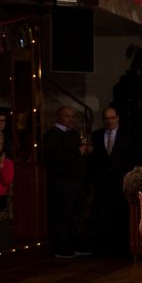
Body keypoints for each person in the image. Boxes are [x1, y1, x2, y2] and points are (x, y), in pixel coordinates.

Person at [43, 106, 92, 258]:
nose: (71, 119)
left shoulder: (74, 134)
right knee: (62, 215)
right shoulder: (51, 135)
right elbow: (55, 157)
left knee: (75, 214)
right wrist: (78, 152)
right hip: (61, 183)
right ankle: (59, 247)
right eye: (67, 116)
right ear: (59, 117)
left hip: (76, 182)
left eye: (73, 116)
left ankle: (74, 244)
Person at [89, 107, 138, 255]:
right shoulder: (96, 136)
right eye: (107, 118)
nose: (110, 121)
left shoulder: (128, 135)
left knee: (122, 214)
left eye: (112, 118)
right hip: (103, 183)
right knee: (104, 214)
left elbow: (133, 157)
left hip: (122, 181)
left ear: (118, 118)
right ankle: (106, 248)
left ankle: (123, 248)